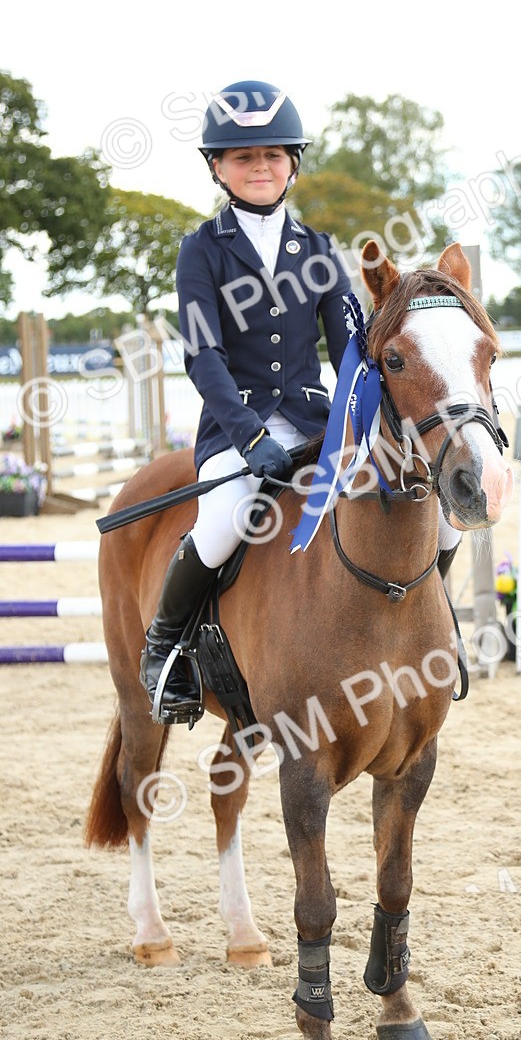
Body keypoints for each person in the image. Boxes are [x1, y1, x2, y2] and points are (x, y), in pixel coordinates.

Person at [141, 79, 462, 726]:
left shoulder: (316, 249)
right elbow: (203, 357)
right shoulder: (201, 251)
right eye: (242, 157)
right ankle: (164, 650)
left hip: (321, 419)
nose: (259, 167)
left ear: (292, 164)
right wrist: (248, 437)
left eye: (272, 155)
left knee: (444, 514)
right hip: (238, 427)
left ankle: (436, 626)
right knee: (224, 518)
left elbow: (354, 346)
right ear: (216, 167)